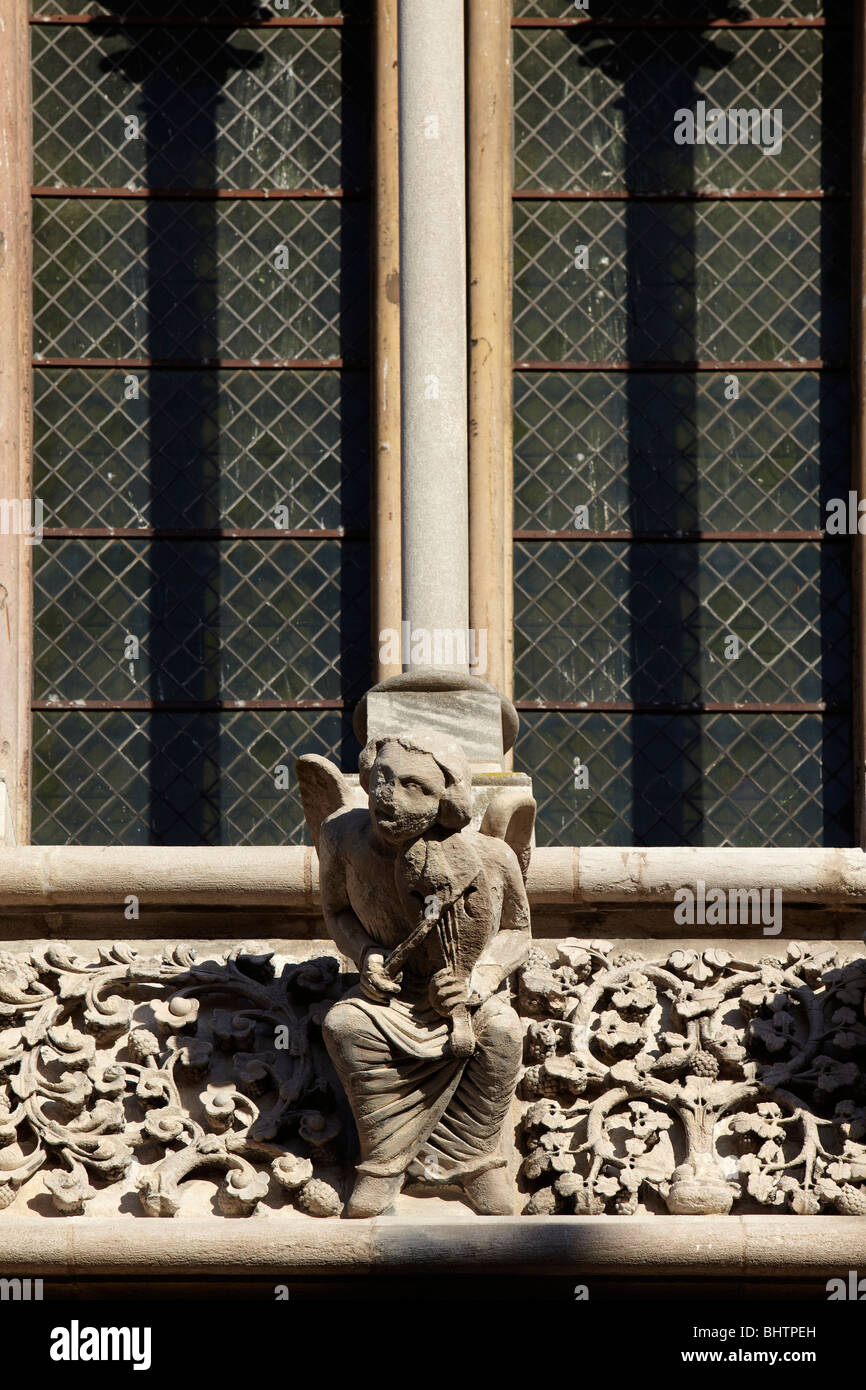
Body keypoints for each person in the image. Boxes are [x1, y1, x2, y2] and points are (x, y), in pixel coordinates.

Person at [318, 729, 531, 1217]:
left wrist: (480, 981)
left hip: (459, 998)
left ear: (446, 802)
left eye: (414, 786)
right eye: (382, 778)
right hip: (391, 1000)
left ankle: (475, 1163)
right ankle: (383, 1166)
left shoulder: (491, 856)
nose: (387, 797)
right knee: (344, 1025)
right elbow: (337, 912)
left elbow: (518, 930)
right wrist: (367, 955)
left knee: (501, 1031)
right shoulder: (343, 837)